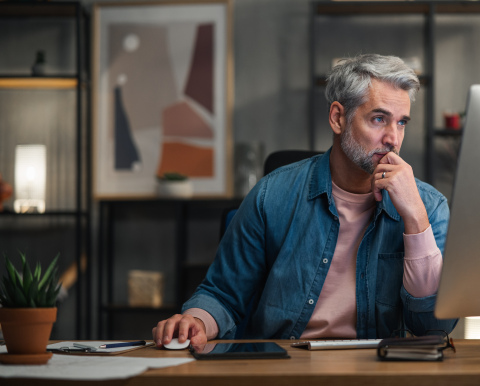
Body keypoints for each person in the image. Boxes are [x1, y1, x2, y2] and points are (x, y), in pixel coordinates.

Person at [153, 54, 458, 351]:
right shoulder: (270, 196)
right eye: (379, 119)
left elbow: (433, 327)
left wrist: (415, 219)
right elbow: (223, 294)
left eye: (402, 123)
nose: (393, 138)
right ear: (338, 118)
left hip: (377, 370)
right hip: (284, 367)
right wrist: (195, 321)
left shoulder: (428, 206)